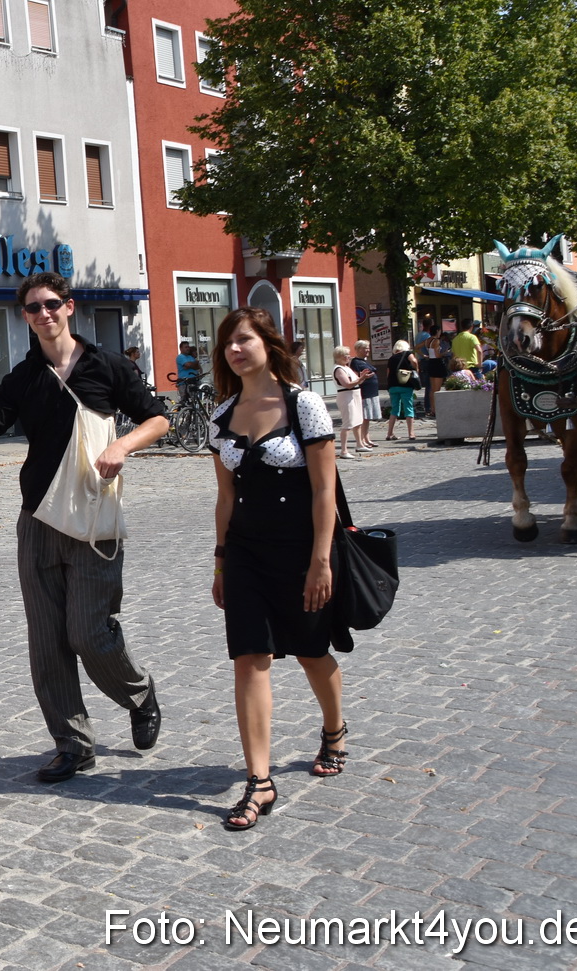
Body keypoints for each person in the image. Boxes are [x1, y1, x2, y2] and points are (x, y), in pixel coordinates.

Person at [0, 273, 171, 783]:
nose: (44, 314)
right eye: (34, 308)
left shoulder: (107, 365)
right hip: (38, 519)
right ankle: (72, 743)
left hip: (94, 521)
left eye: (52, 304)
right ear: (25, 316)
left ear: (69, 306)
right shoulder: (23, 377)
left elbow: (157, 418)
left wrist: (121, 445)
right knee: (47, 641)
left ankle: (139, 692)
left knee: (89, 632)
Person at [207, 308, 348, 831]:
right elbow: (224, 498)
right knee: (249, 656)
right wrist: (220, 560)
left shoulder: (302, 404)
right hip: (244, 550)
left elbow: (324, 488)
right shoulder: (221, 416)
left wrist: (320, 560)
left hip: (300, 549)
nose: (234, 350)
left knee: (312, 651)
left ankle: (334, 730)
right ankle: (259, 781)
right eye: (227, 344)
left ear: (269, 343)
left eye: (244, 339)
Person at [331, 347, 365, 458]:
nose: (348, 357)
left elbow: (356, 381)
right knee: (348, 423)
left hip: (354, 395)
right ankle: (344, 450)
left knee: (358, 420)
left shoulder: (347, 367)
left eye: (348, 354)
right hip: (346, 396)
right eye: (346, 355)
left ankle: (359, 444)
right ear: (338, 357)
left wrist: (362, 377)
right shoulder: (339, 369)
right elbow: (347, 384)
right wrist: (360, 379)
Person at [385, 341, 421, 442]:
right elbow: (414, 361)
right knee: (408, 408)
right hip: (405, 385)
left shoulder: (391, 358)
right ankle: (411, 433)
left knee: (394, 410)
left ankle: (389, 434)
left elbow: (388, 373)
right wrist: (416, 369)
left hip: (393, 386)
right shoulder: (408, 354)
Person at [349, 341, 381, 450]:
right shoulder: (356, 362)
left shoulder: (364, 361)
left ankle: (367, 438)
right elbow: (357, 375)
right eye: (365, 348)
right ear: (358, 349)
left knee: (368, 418)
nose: (368, 350)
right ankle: (362, 439)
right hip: (364, 393)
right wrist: (365, 376)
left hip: (371, 392)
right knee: (364, 417)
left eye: (368, 348)